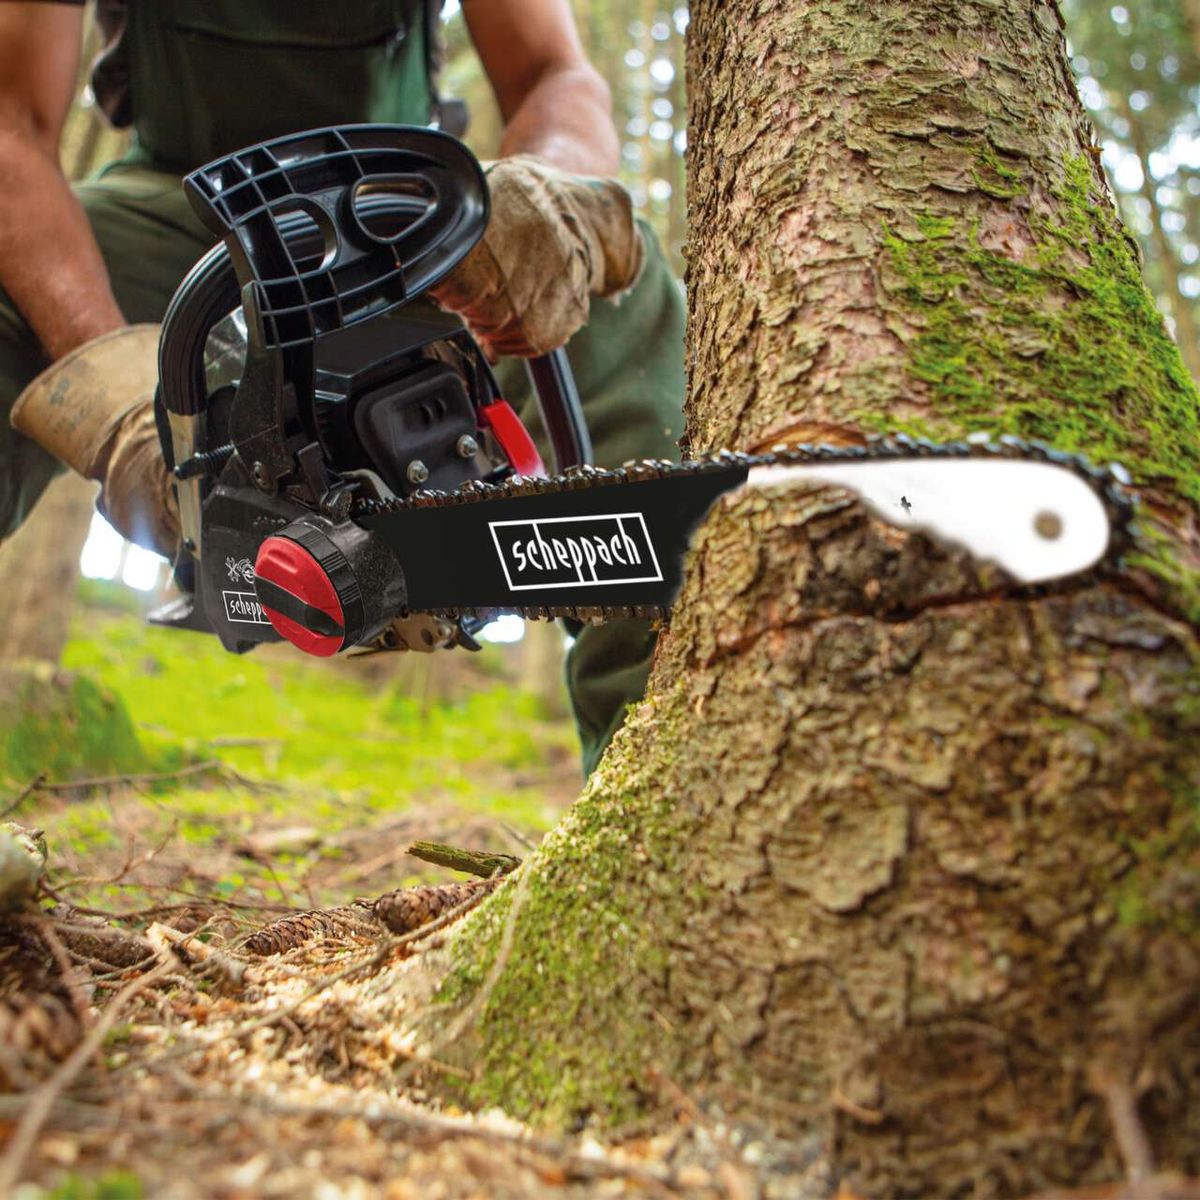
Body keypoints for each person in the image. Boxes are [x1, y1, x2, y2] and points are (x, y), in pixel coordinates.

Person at [0, 0, 686, 774]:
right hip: (173, 204)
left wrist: (545, 189)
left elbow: (554, 71)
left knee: (619, 313)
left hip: (392, 211)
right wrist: (114, 390)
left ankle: (669, 784)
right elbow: (10, 123)